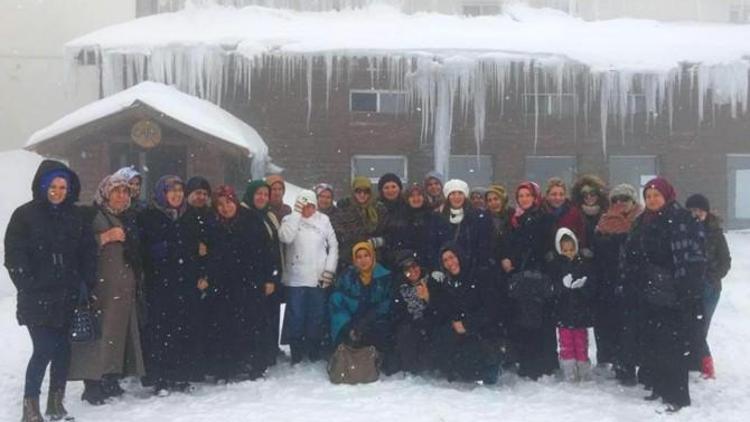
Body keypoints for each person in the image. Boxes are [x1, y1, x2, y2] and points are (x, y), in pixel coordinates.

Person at [4, 160, 97, 422]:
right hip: (37, 298)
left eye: (63, 187)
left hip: (68, 294)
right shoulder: (24, 215)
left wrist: (85, 282)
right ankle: (30, 407)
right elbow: (14, 255)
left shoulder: (75, 216)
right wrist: (29, 282)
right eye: (52, 186)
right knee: (44, 348)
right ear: (42, 186)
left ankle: (56, 402)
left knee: (63, 350)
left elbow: (88, 252)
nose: (58, 191)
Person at [622, 177, 706, 413]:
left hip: (675, 293)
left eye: (656, 195)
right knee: (654, 343)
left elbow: (695, 256)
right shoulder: (642, 222)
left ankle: (677, 394)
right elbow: (632, 253)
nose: (652, 200)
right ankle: (659, 386)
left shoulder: (682, 219)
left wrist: (687, 288)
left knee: (674, 346)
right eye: (648, 196)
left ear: (667, 195)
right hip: (648, 291)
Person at [68, 173, 146, 404]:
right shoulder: (91, 214)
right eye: (116, 191)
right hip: (100, 289)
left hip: (123, 292)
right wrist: (103, 238)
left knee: (117, 335)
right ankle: (92, 385)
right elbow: (76, 246)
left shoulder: (128, 218)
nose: (122, 196)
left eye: (125, 192)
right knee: (98, 336)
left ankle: (110, 378)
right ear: (105, 193)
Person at [137, 175, 205, 395]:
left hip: (185, 283)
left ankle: (182, 375)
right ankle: (161, 378)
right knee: (161, 331)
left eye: (179, 190)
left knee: (184, 328)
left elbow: (199, 247)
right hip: (160, 284)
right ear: (162, 193)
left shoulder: (190, 216)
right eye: (171, 190)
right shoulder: (150, 216)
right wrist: (155, 251)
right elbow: (140, 249)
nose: (176, 194)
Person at [207, 185, 272, 380]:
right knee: (225, 325)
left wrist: (269, 278)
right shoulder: (214, 224)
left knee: (251, 323)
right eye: (220, 204)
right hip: (224, 284)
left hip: (250, 282)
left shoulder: (251, 221)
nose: (225, 208)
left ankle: (253, 364)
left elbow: (266, 253)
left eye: (228, 202)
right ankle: (228, 366)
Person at [500, 181, 558, 380]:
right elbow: (509, 243)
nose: (524, 199)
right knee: (522, 320)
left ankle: (539, 364)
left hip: (538, 275)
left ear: (535, 197)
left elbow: (541, 247)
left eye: (528, 195)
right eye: (521, 196)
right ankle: (525, 360)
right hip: (519, 276)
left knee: (538, 322)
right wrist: (507, 258)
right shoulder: (515, 219)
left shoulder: (544, 218)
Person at [279, 190, 339, 364]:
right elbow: (286, 237)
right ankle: (296, 350)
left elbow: (334, 246)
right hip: (295, 278)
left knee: (316, 315)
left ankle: (313, 348)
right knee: (296, 315)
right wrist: (296, 214)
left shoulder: (323, 220)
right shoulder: (289, 220)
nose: (308, 209)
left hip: (318, 277)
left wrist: (329, 270)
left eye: (311, 206)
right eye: (304, 206)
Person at [592, 184, 642, 385]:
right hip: (608, 282)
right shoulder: (603, 223)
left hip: (634, 283)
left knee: (631, 328)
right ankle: (617, 363)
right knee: (611, 326)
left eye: (625, 199)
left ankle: (630, 366)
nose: (621, 203)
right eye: (616, 200)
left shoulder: (641, 221)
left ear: (633, 202)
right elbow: (599, 254)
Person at [431, 245, 503, 384]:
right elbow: (447, 309)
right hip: (463, 331)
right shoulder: (448, 282)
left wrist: (468, 324)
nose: (450, 263)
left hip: (485, 330)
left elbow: (492, 309)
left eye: (452, 257)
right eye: (445, 260)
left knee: (473, 367)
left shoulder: (479, 275)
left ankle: (493, 363)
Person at [685, 193, 731, 379]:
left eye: (699, 210)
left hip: (709, 287)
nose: (696, 214)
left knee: (701, 325)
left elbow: (725, 260)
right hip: (689, 284)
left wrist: (712, 276)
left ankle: (704, 363)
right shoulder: (684, 230)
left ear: (706, 212)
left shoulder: (714, 232)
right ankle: (695, 360)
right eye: (692, 210)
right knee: (691, 324)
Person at [242, 180, 284, 366]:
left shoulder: (268, 215)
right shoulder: (245, 216)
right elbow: (256, 251)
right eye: (258, 194)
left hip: (271, 275)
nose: (262, 197)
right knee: (256, 318)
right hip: (255, 277)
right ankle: (256, 357)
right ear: (251, 195)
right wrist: (266, 277)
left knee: (270, 315)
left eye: (265, 195)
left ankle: (269, 352)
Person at [329, 242, 393, 364]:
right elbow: (337, 300)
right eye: (359, 257)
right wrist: (349, 325)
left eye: (366, 255)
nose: (363, 260)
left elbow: (387, 302)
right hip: (352, 320)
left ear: (372, 256)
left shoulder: (385, 277)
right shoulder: (347, 276)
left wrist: (367, 320)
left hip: (376, 320)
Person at [549, 228, 596, 382]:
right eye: (565, 250)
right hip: (563, 312)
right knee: (566, 343)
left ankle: (584, 370)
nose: (569, 253)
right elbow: (552, 288)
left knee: (581, 343)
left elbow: (591, 286)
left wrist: (581, 287)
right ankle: (569, 371)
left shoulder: (583, 264)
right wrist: (562, 286)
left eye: (571, 249)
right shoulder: (556, 265)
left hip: (580, 312)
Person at [390, 250, 448, 374]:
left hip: (433, 324)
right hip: (412, 326)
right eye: (407, 269)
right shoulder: (399, 287)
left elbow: (443, 310)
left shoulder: (433, 280)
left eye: (414, 266)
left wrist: (428, 298)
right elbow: (398, 313)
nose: (412, 271)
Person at [184, 176, 212, 380]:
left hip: (209, 277)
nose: (201, 197)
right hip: (187, 276)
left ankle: (205, 364)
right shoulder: (183, 216)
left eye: (204, 194)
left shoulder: (211, 216)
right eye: (197, 193)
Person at [384, 183, 450, 270]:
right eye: (412, 196)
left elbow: (443, 244)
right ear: (407, 199)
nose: (416, 199)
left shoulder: (435, 217)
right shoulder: (399, 219)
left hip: (432, 267)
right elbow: (394, 247)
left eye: (419, 195)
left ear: (424, 197)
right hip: (406, 268)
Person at [440, 179, 496, 277]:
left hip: (473, 271)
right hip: (448, 269)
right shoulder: (439, 218)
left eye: (460, 193)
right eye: (452, 193)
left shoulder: (478, 217)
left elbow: (485, 245)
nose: (456, 197)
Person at [332, 177, 386, 270]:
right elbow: (340, 232)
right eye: (358, 192)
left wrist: (378, 241)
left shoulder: (379, 209)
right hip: (349, 258)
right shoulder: (344, 208)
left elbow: (385, 232)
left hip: (374, 259)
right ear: (353, 192)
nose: (362, 195)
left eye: (366, 192)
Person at [544, 177, 587, 247]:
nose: (558, 198)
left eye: (561, 194)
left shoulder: (574, 214)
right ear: (547, 195)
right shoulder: (541, 213)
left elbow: (581, 236)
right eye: (554, 194)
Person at [572, 175, 608, 248]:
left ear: (599, 195)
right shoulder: (575, 215)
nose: (589, 197)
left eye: (592, 194)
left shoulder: (607, 214)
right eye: (585, 195)